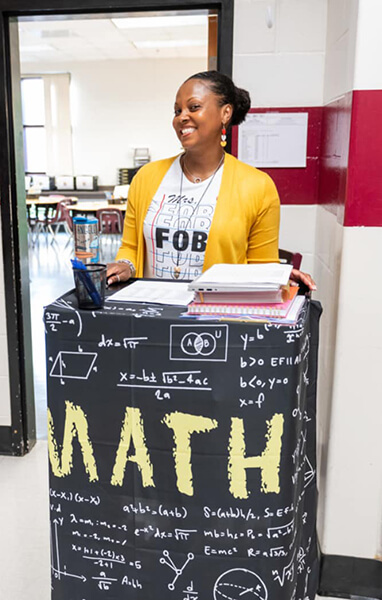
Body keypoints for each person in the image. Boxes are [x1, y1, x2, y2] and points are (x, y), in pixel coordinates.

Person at [107, 70, 316, 291]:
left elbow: (261, 265)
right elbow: (130, 247)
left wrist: (277, 276)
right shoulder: (146, 178)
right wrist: (125, 265)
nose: (181, 117)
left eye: (193, 107)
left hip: (216, 316)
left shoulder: (257, 186)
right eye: (177, 111)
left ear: (225, 113)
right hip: (153, 312)